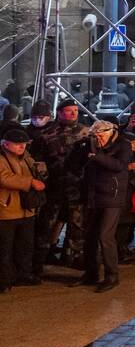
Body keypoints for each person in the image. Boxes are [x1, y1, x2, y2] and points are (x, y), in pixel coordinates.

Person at [34, 100, 90, 271]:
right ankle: (39, 259)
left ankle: (74, 256)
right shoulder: (47, 135)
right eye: (68, 110)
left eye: (75, 110)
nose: (73, 114)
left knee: (77, 224)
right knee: (47, 225)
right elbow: (39, 161)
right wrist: (44, 179)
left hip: (77, 187)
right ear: (59, 113)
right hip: (54, 188)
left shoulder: (85, 133)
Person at [78, 121, 133, 292]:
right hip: (93, 195)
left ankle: (112, 275)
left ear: (111, 132)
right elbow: (76, 165)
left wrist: (97, 155)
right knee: (90, 236)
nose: (98, 139)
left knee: (105, 236)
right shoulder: (90, 145)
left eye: (101, 135)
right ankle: (91, 273)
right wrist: (82, 149)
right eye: (95, 136)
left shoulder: (123, 145)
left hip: (112, 196)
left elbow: (119, 166)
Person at [0, 130, 46, 293]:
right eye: (18, 144)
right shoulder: (1, 158)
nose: (22, 146)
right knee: (5, 248)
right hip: (6, 211)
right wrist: (30, 182)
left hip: (26, 210)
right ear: (5, 144)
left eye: (24, 143)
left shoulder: (26, 157)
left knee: (24, 245)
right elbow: (4, 178)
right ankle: (4, 280)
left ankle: (23, 274)